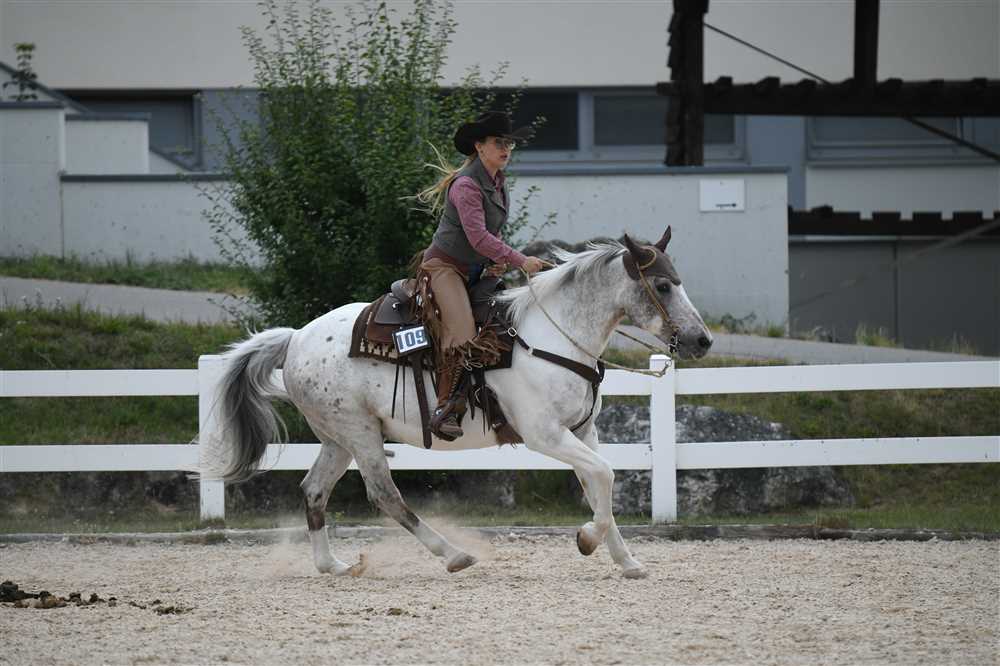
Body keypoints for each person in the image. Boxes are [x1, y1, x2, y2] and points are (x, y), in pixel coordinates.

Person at [415, 111, 546, 440]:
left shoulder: (497, 182)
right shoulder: (466, 186)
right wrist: (519, 260)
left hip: (473, 270)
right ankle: (444, 408)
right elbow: (478, 238)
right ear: (480, 146)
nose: (506, 149)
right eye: (499, 143)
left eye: (509, 144)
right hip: (444, 268)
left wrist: (494, 262)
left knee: (506, 320)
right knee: (462, 331)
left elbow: (491, 234)